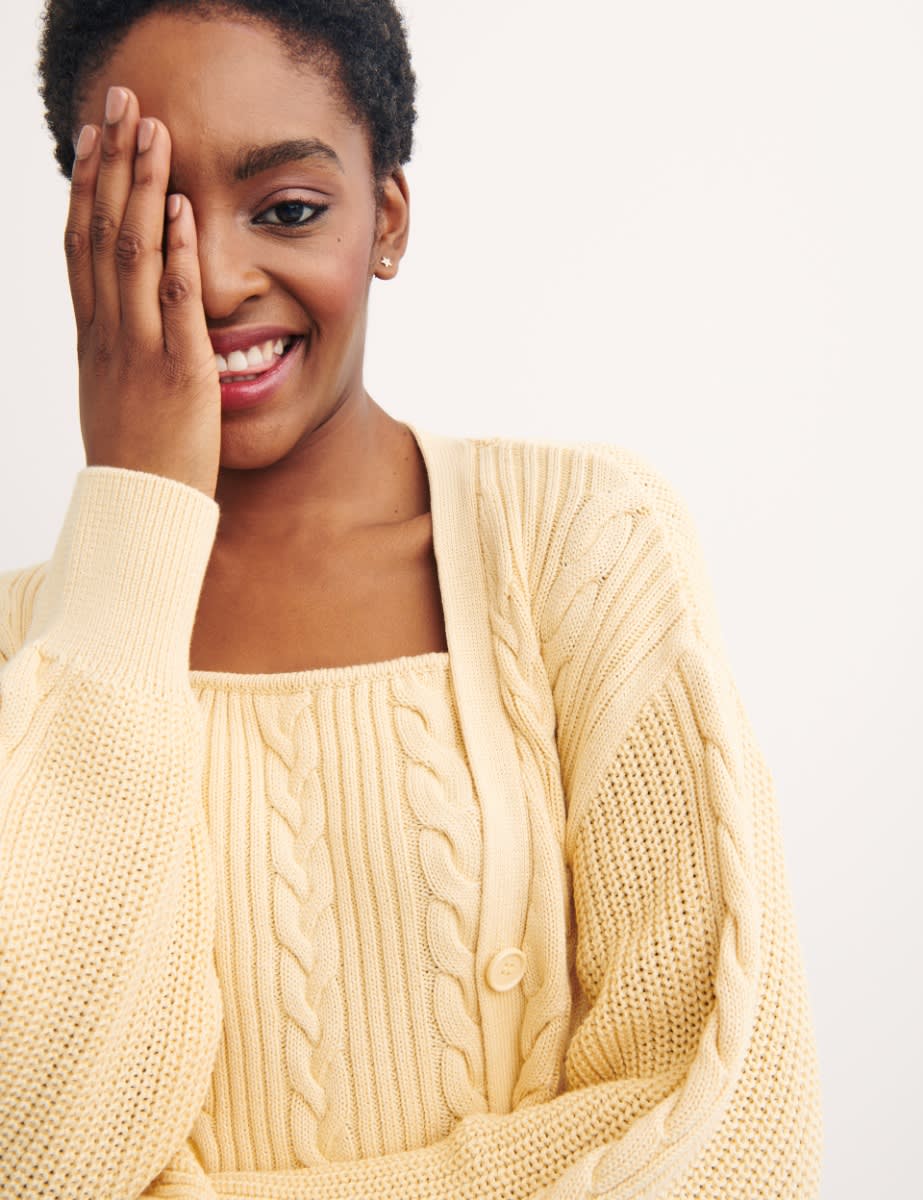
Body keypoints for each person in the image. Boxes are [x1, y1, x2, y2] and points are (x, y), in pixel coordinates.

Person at [0, 1, 824, 1197]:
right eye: (150, 219)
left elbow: (732, 1140)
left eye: (286, 209)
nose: (219, 279)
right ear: (86, 229)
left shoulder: (577, 547)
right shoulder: (34, 657)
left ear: (384, 217)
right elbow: (33, 1158)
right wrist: (131, 525)